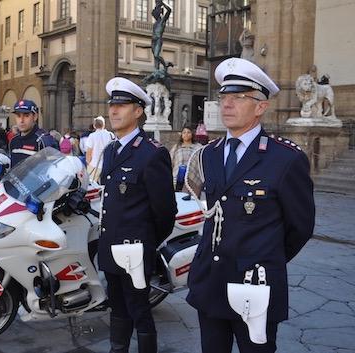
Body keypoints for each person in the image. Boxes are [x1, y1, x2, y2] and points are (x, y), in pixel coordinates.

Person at [185, 58, 315, 353]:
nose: (227, 104)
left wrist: (264, 257)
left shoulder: (285, 159)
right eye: (223, 97)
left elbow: (300, 227)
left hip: (254, 287)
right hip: (211, 283)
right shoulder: (210, 154)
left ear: (260, 106)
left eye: (238, 97)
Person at [99, 77, 177, 353]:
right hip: (110, 246)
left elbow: (166, 212)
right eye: (112, 105)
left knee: (139, 309)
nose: (114, 111)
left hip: (135, 251)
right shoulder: (111, 150)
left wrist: (145, 243)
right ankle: (117, 349)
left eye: (122, 105)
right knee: (117, 306)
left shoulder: (151, 154)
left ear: (138, 111)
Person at [8, 99, 58, 167]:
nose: (21, 120)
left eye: (26, 116)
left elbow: (54, 169)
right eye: (18, 116)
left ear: (35, 117)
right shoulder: (14, 141)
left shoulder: (44, 141)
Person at [85, 116, 115, 182]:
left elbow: (89, 152)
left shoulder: (92, 136)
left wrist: (89, 163)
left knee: (92, 187)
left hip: (94, 165)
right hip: (108, 165)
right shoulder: (111, 135)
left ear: (94, 126)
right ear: (104, 125)